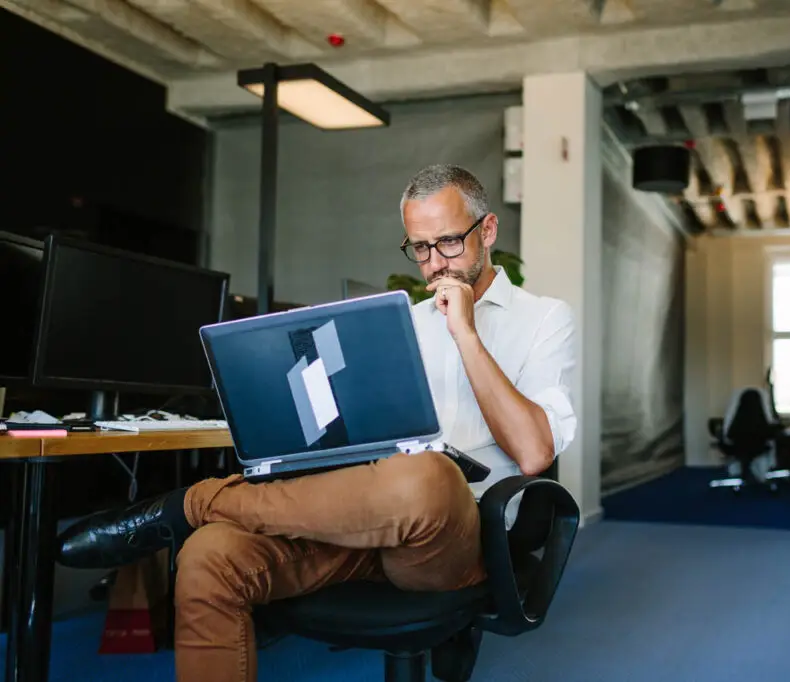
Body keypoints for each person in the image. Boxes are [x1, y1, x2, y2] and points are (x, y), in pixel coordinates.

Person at [57, 163, 577, 682]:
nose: (435, 263)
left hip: (454, 536)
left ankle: (191, 503)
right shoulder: (400, 320)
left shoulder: (545, 319)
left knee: (429, 475)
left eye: (448, 242)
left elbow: (534, 452)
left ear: (488, 230)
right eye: (420, 248)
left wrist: (465, 333)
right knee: (208, 555)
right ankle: (197, 516)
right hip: (359, 520)